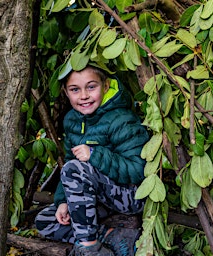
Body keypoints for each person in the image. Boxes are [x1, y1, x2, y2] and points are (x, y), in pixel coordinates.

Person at [35, 64, 150, 256]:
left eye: (91, 87)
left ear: (105, 86)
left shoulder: (121, 119)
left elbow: (139, 170)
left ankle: (90, 249)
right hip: (98, 198)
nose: (83, 96)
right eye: (74, 90)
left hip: (130, 196)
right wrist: (63, 201)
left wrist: (95, 155)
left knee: (75, 169)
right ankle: (113, 236)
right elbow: (71, 161)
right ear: (65, 92)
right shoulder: (72, 120)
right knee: (46, 220)